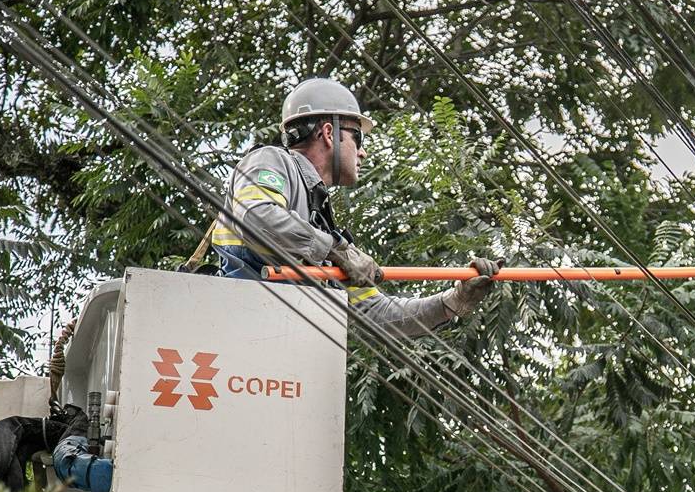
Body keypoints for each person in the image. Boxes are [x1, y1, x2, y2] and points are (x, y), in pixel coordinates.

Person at [212, 77, 500, 336]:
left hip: (280, 354)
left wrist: (452, 302)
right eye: (357, 138)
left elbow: (375, 312)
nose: (362, 151)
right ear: (328, 132)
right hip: (235, 332)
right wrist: (335, 250)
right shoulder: (272, 161)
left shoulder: (319, 222)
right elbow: (256, 217)